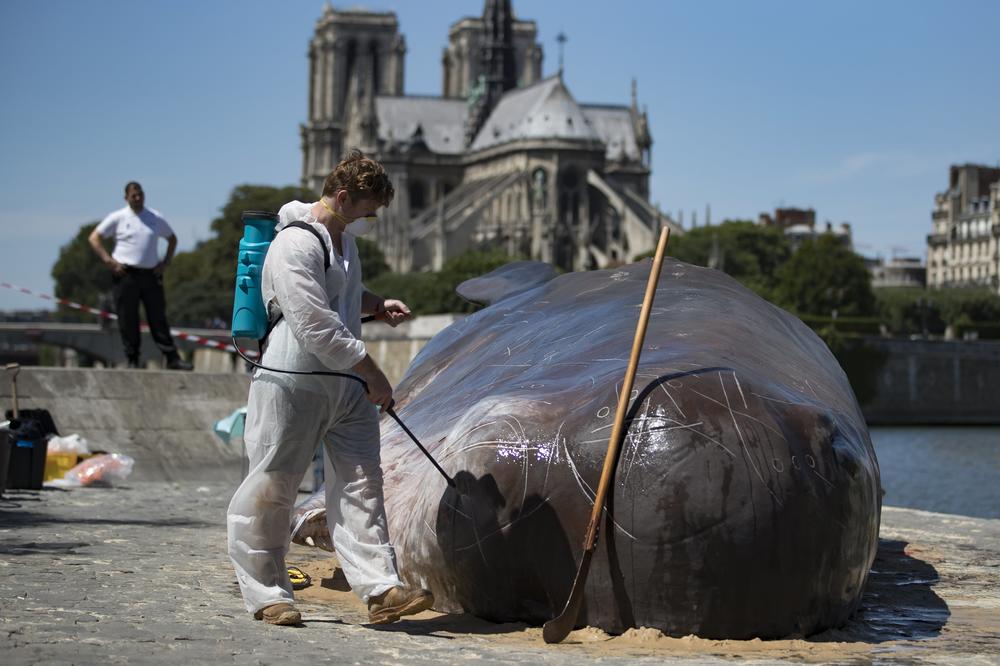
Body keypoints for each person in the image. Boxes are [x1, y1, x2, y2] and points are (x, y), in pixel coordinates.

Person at [227, 150, 433, 626]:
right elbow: (314, 323)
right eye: (368, 211)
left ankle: (381, 588)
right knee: (274, 484)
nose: (371, 221)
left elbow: (338, 293)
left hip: (342, 384)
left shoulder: (342, 241)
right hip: (294, 380)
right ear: (342, 197)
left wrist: (375, 305)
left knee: (363, 484)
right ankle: (267, 594)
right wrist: (372, 371)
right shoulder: (292, 244)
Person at [88, 182, 192, 370]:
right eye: (133, 195)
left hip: (150, 273)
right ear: (126, 197)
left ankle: (172, 358)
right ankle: (133, 358)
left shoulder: (154, 217)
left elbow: (172, 238)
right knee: (128, 318)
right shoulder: (118, 217)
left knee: (158, 316)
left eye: (140, 194)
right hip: (125, 273)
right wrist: (108, 261)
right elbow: (94, 238)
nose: (138, 198)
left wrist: (166, 262)